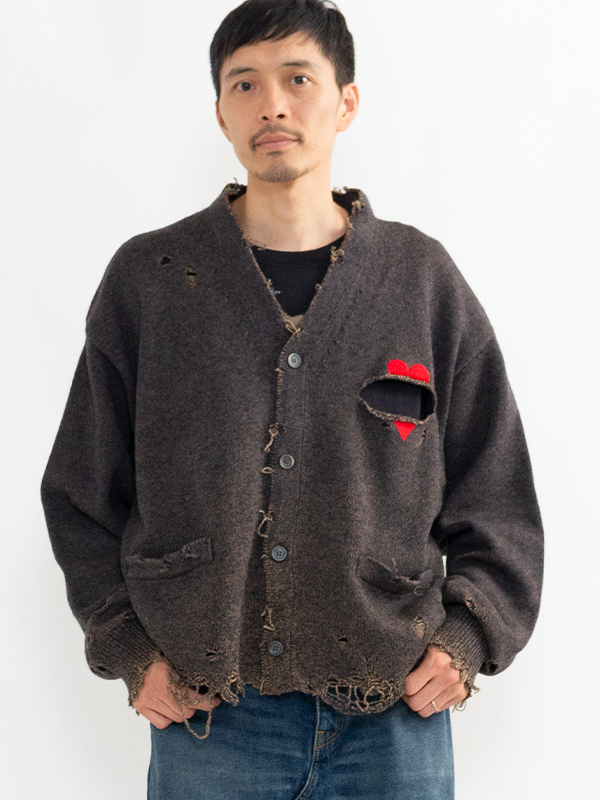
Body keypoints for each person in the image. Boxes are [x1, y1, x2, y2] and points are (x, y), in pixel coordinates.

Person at [41, 1, 544, 798]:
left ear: (346, 101)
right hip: (208, 712)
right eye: (244, 84)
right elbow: (81, 492)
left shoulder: (420, 280)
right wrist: (128, 647)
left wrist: (468, 636)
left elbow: (496, 486)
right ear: (220, 114)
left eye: (298, 79)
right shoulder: (153, 280)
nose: (271, 104)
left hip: (396, 707)